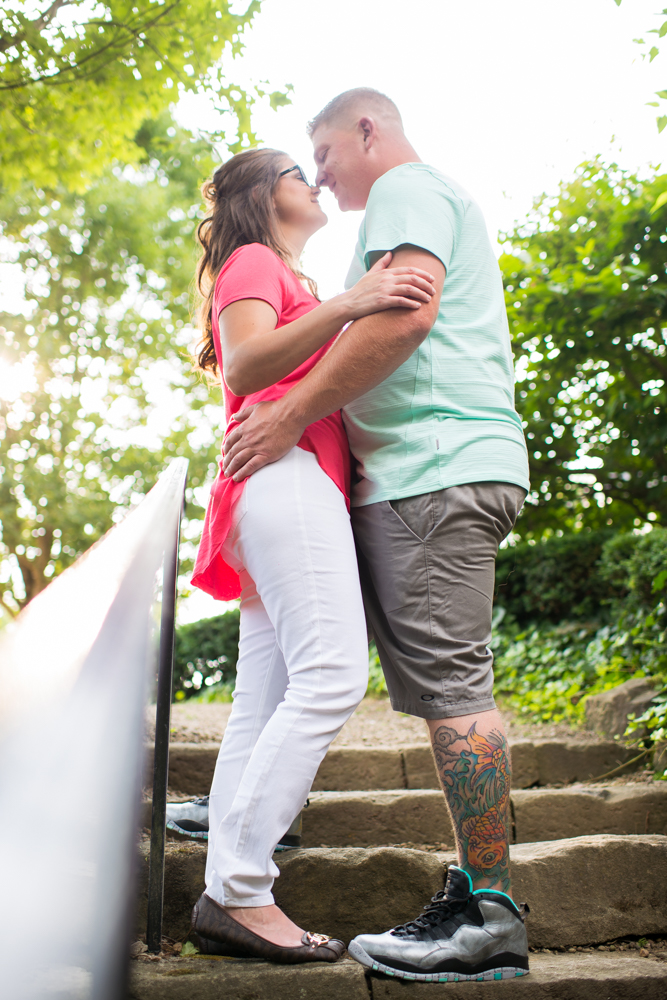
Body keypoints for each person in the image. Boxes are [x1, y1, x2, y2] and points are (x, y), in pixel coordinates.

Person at [221, 89, 532, 983]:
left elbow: (408, 314)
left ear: (367, 130)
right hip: (431, 470)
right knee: (431, 684)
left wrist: (289, 416)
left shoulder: (404, 189)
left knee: (450, 689)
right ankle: (481, 897)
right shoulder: (379, 224)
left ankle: (489, 913)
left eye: (320, 152)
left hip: (433, 471)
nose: (316, 172)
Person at [188, 147, 436, 964]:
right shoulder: (254, 258)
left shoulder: (282, 271)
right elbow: (247, 361)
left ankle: (231, 886)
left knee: (262, 702)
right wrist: (354, 301)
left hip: (282, 487)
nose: (313, 181)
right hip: (283, 479)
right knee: (332, 672)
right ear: (263, 195)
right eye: (298, 170)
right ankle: (236, 888)